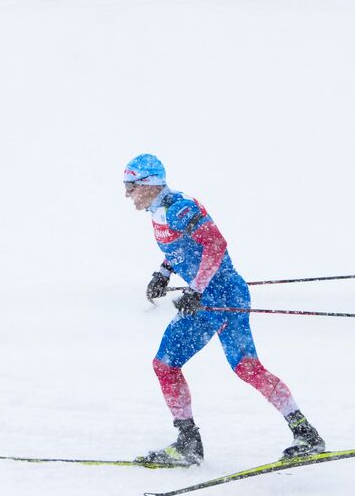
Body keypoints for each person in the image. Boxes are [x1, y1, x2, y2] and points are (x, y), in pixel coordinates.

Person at [123, 153, 326, 466]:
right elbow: (184, 248)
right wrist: (164, 272)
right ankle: (306, 434)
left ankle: (188, 444)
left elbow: (216, 244)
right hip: (229, 293)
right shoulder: (160, 210)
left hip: (214, 298)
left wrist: (197, 289)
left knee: (165, 365)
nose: (127, 194)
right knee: (247, 367)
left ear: (148, 184)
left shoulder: (178, 208)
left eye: (131, 186)